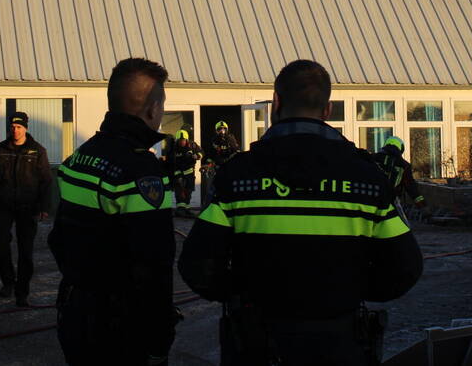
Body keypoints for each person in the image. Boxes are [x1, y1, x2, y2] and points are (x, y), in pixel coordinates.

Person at [179, 60, 423, 366]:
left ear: (276, 103)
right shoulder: (367, 180)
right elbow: (405, 268)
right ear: (327, 110)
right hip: (339, 343)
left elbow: (196, 265)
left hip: (256, 343)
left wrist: (242, 293)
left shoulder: (236, 177)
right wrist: (346, 290)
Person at [50, 58, 177, 365]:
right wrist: (159, 340)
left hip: (76, 313)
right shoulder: (141, 170)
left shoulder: (81, 156)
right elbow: (154, 266)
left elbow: (58, 239)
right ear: (152, 109)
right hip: (122, 328)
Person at [0, 111, 53, 306]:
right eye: (12, 127)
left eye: (19, 127)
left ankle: (22, 293)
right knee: (2, 244)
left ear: (26, 128)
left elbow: (46, 181)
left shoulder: (37, 151)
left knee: (25, 252)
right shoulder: (1, 149)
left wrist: (44, 207)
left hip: (28, 208)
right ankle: (8, 283)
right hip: (4, 206)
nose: (15, 130)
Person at [373, 136, 426, 209]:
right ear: (400, 149)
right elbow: (411, 188)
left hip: (369, 199)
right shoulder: (404, 165)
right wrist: (423, 206)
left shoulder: (372, 158)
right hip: (390, 204)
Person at [166, 129, 202, 213]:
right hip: (178, 172)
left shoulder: (192, 145)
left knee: (188, 191)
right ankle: (180, 209)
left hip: (189, 172)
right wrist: (177, 175)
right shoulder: (174, 149)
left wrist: (197, 155)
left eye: (184, 140)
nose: (182, 142)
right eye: (180, 140)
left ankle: (187, 208)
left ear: (187, 140)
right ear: (177, 140)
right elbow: (171, 163)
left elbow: (201, 152)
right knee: (179, 191)